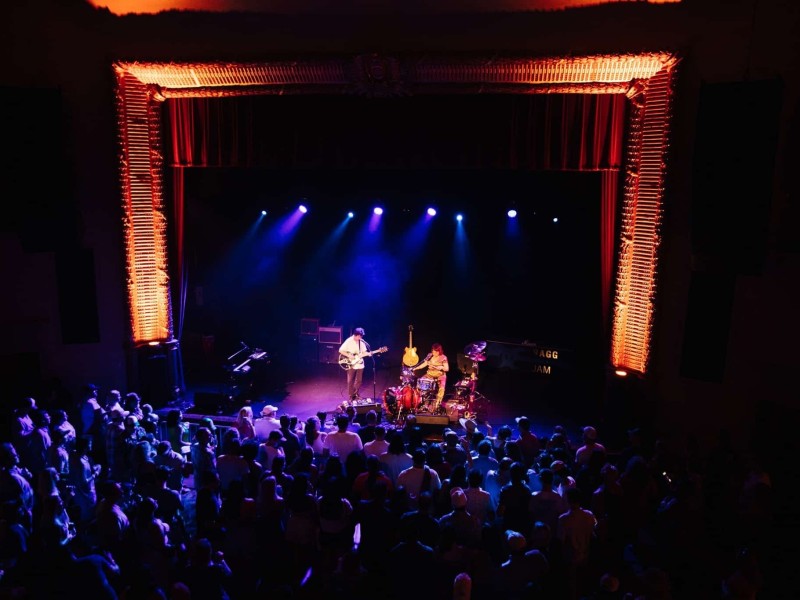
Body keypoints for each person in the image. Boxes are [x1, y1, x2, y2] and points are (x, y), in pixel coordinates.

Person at [413, 342, 449, 409]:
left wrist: (441, 367)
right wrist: (415, 368)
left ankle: (438, 403)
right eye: (433, 351)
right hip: (430, 374)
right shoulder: (430, 356)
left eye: (436, 352)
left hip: (440, 375)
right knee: (420, 383)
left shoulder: (443, 357)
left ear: (439, 351)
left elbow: (447, 369)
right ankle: (420, 401)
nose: (434, 353)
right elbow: (424, 364)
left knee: (442, 388)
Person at [339, 327, 368, 400]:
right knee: (350, 381)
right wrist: (349, 355)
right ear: (356, 335)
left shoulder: (361, 342)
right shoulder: (349, 341)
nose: (361, 337)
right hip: (351, 363)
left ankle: (356, 394)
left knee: (359, 381)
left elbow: (364, 352)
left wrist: (368, 354)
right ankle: (351, 396)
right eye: (360, 336)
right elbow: (341, 350)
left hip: (360, 364)